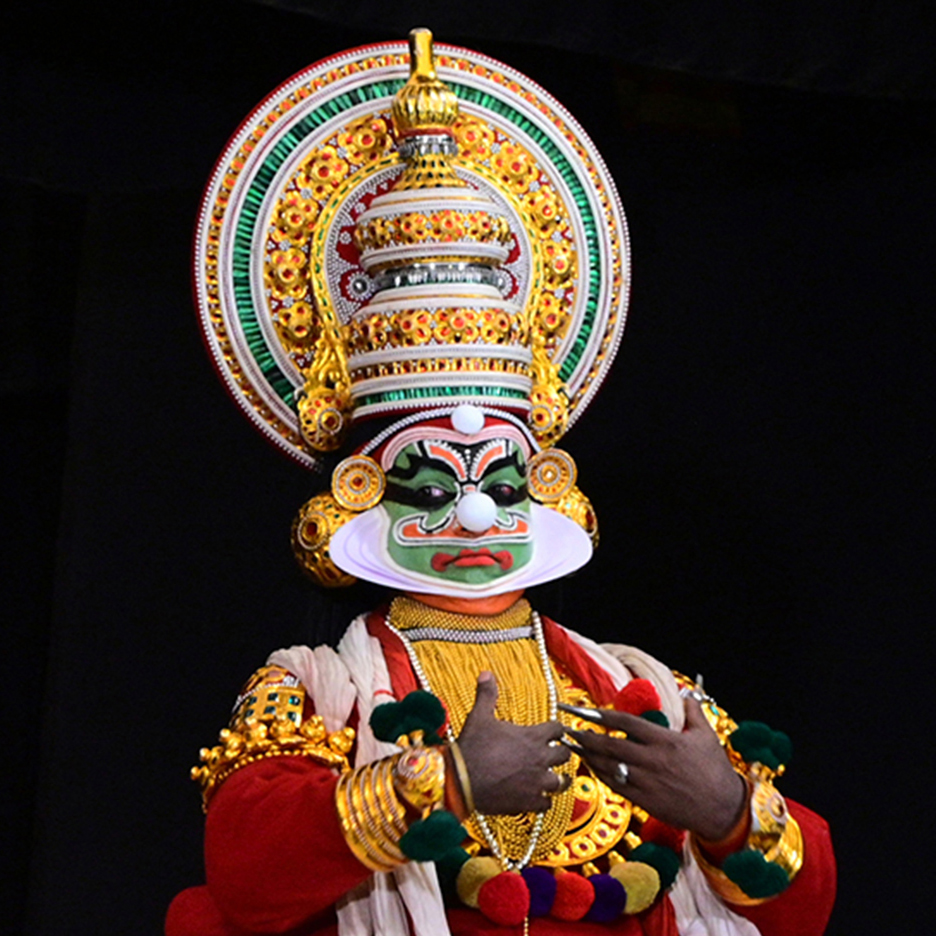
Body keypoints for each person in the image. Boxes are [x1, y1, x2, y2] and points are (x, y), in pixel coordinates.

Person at [169, 29, 836, 936]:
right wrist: (442, 781)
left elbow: (805, 909)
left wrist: (726, 810)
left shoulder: (639, 693)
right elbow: (244, 870)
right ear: (362, 488)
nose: (477, 509)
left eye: (503, 481)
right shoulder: (317, 693)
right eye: (433, 484)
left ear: (547, 483)